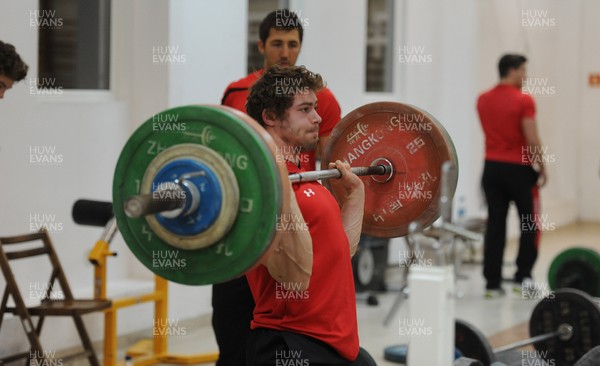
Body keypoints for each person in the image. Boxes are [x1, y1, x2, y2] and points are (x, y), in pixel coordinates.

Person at [213, 10, 341, 366]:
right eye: (277, 44)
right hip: (239, 226)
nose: (285, 52)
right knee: (231, 330)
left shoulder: (320, 99)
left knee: (286, 332)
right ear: (261, 46)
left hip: (291, 226)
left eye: (293, 44)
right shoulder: (236, 92)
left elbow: (332, 164)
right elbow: (221, 153)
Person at [244, 64, 374, 365]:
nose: (317, 118)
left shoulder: (305, 181)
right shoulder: (263, 190)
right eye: (305, 109)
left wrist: (356, 196)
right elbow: (294, 276)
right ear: (271, 117)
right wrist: (272, 169)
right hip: (290, 342)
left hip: (335, 343)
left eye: (315, 108)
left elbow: (339, 251)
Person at [477, 54, 547, 299]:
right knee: (529, 223)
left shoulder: (482, 100)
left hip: (491, 169)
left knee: (495, 225)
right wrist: (542, 166)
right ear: (512, 71)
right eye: (523, 71)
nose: (525, 76)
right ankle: (523, 278)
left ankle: (492, 284)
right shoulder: (523, 100)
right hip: (518, 169)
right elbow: (532, 138)